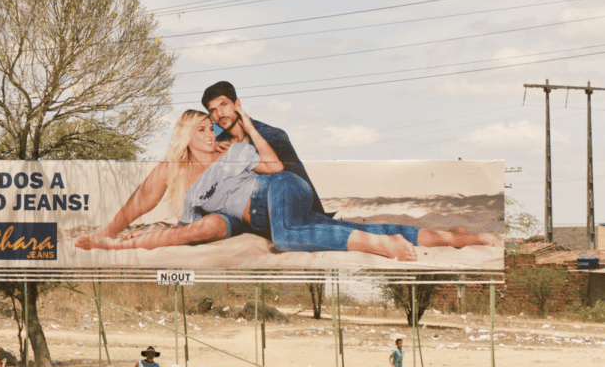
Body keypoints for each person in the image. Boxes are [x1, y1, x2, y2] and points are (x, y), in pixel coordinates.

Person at [76, 108, 496, 261]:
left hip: (281, 191)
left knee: (291, 238)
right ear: (184, 136)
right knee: (343, 228)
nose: (210, 134)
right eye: (201, 129)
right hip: (265, 211)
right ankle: (453, 237)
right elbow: (140, 205)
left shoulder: (230, 151)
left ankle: (376, 247)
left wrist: (239, 126)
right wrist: (109, 236)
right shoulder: (174, 173)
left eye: (211, 127)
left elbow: (274, 162)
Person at [202, 81, 328, 225]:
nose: (219, 114)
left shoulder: (272, 135)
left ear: (237, 104)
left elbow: (298, 181)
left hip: (285, 214)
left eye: (224, 104)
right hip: (244, 217)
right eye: (213, 110)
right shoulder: (219, 144)